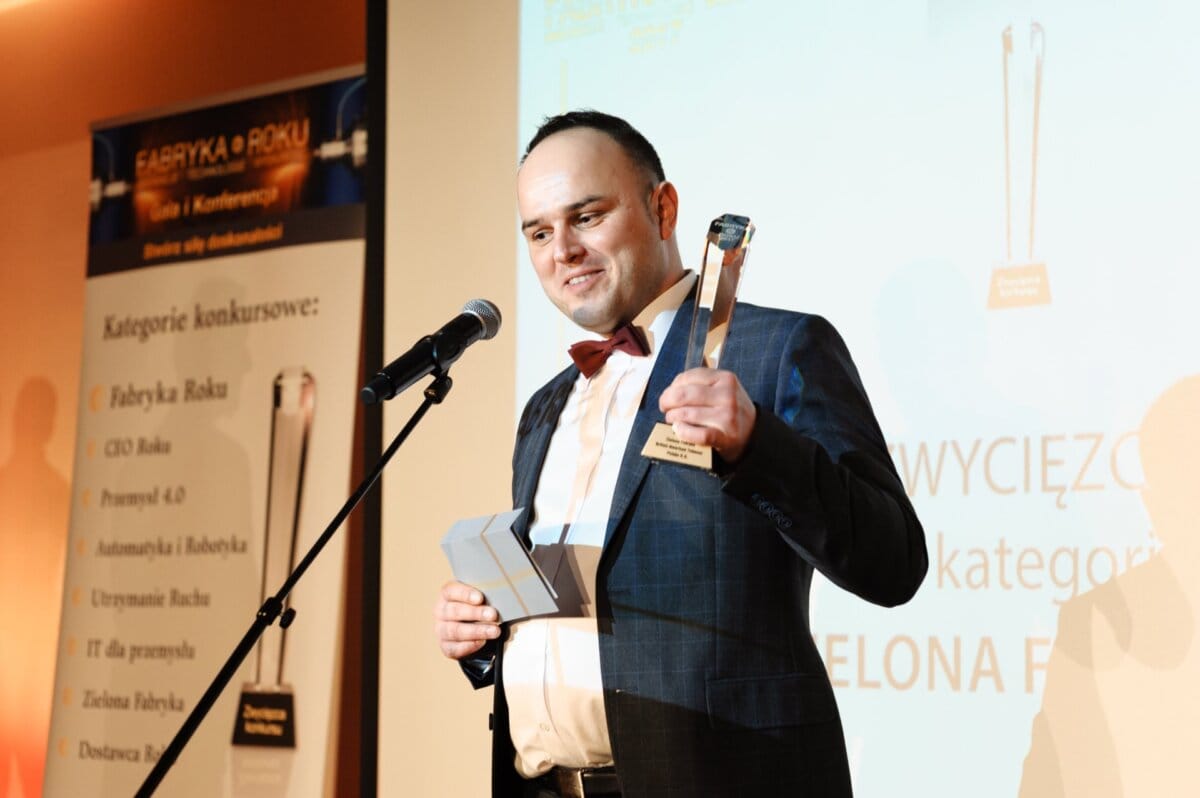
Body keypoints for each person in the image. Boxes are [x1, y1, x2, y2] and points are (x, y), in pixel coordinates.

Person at [434, 110, 927, 798]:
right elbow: (591, 600)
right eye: (540, 232)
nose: (563, 249)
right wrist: (488, 635)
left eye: (587, 216)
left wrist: (759, 447)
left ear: (663, 208)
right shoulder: (544, 408)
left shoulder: (776, 351)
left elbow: (893, 562)